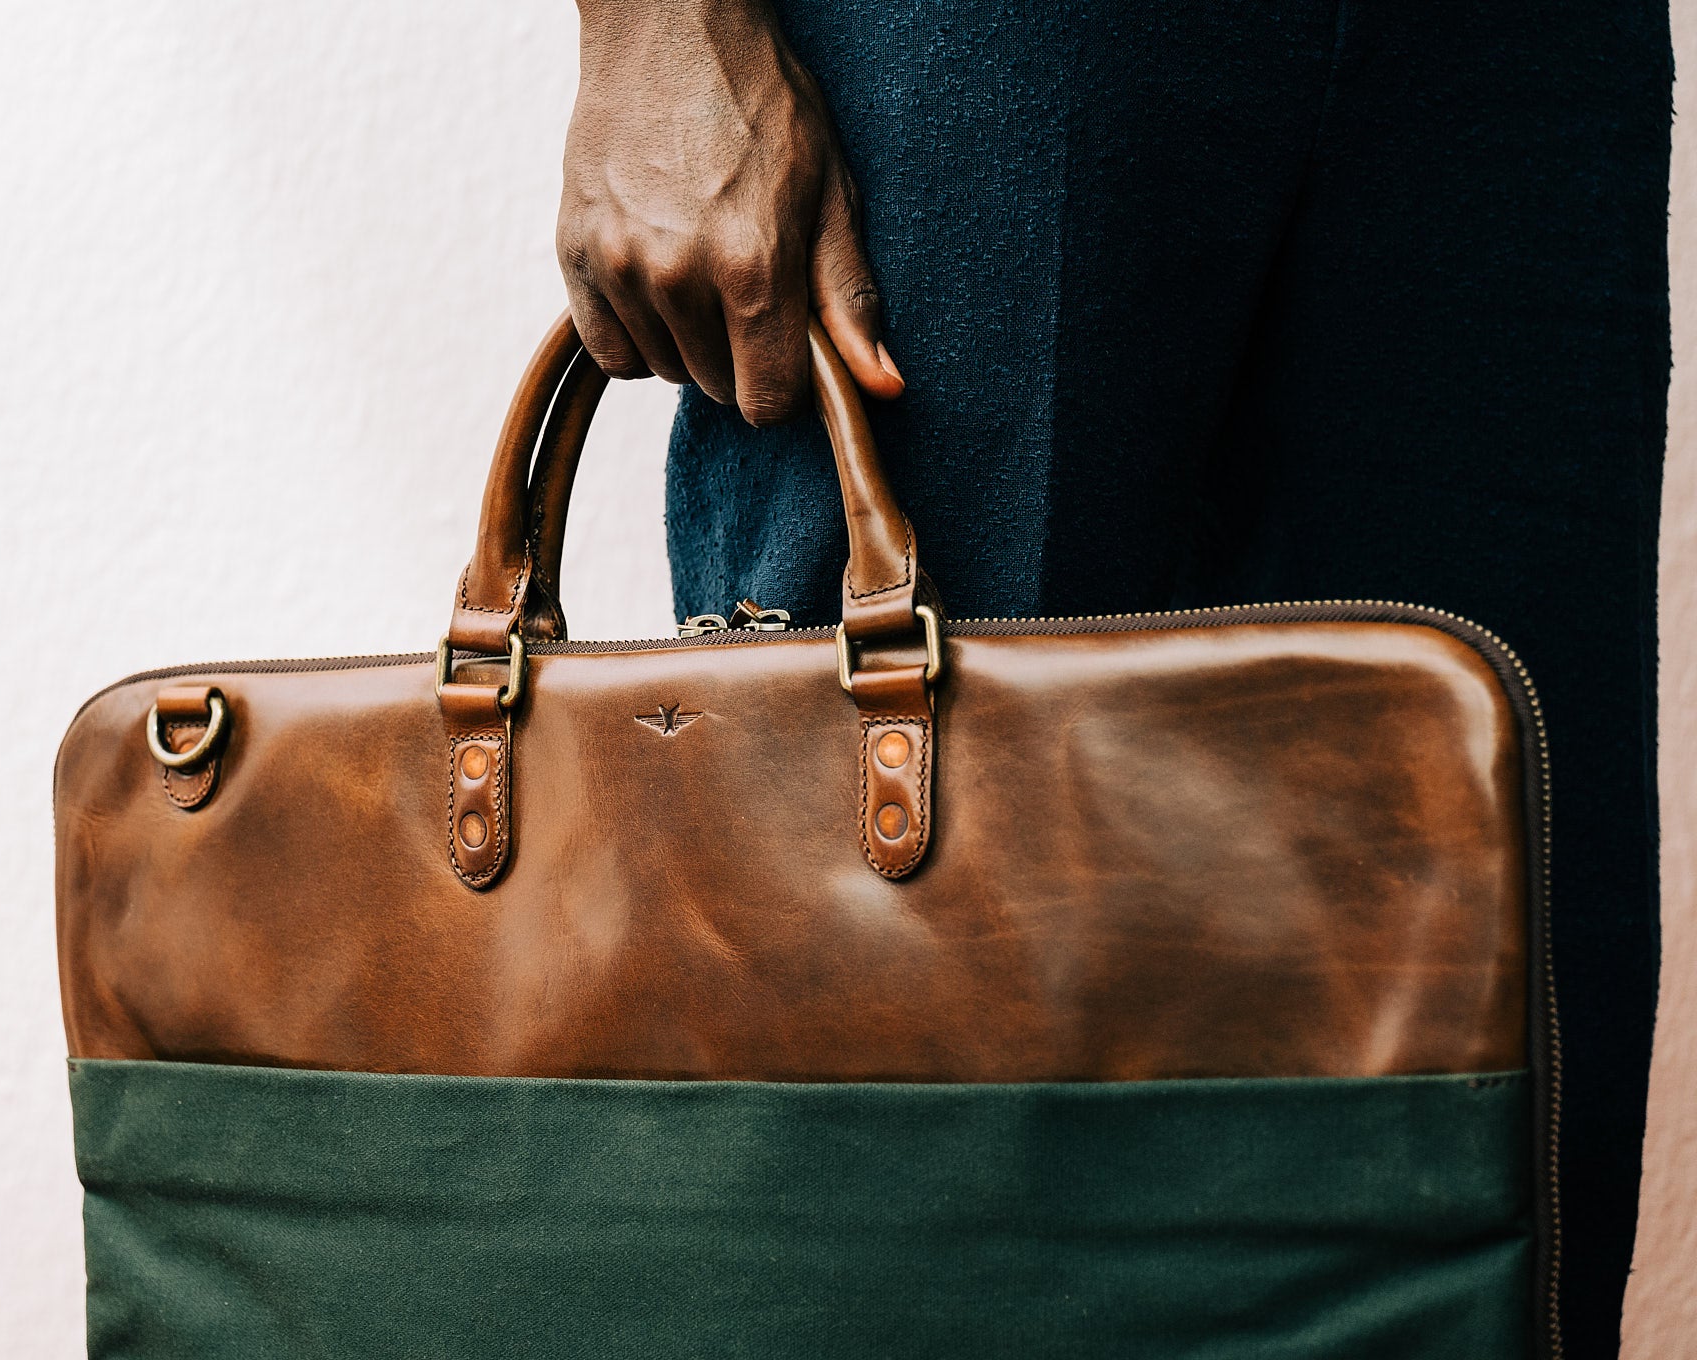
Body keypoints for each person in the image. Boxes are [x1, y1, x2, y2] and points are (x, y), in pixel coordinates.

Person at [556, 1, 1669, 1355]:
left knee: (1486, 997)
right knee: (897, 1002)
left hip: (1517, 60)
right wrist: (653, 31)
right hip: (987, 44)